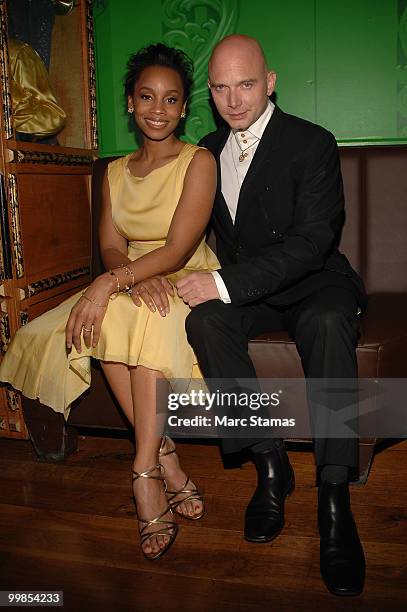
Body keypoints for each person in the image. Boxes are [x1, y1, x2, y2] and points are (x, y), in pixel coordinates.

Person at [0, 43, 220, 561]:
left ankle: (142, 470)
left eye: (170, 100)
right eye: (147, 97)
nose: (158, 110)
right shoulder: (116, 170)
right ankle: (164, 454)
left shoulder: (199, 162)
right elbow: (111, 243)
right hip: (132, 275)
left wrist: (111, 282)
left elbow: (177, 247)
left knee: (141, 313)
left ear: (184, 108)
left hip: (185, 273)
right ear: (129, 102)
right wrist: (121, 277)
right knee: (101, 316)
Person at [164, 34, 366, 596]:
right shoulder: (205, 149)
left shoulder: (312, 143)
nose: (234, 100)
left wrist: (224, 283)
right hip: (250, 292)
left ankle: (334, 496)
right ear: (210, 91)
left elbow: (312, 242)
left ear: (270, 81)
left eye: (246, 84)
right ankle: (269, 463)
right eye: (222, 88)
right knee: (204, 322)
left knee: (327, 322)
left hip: (314, 281)